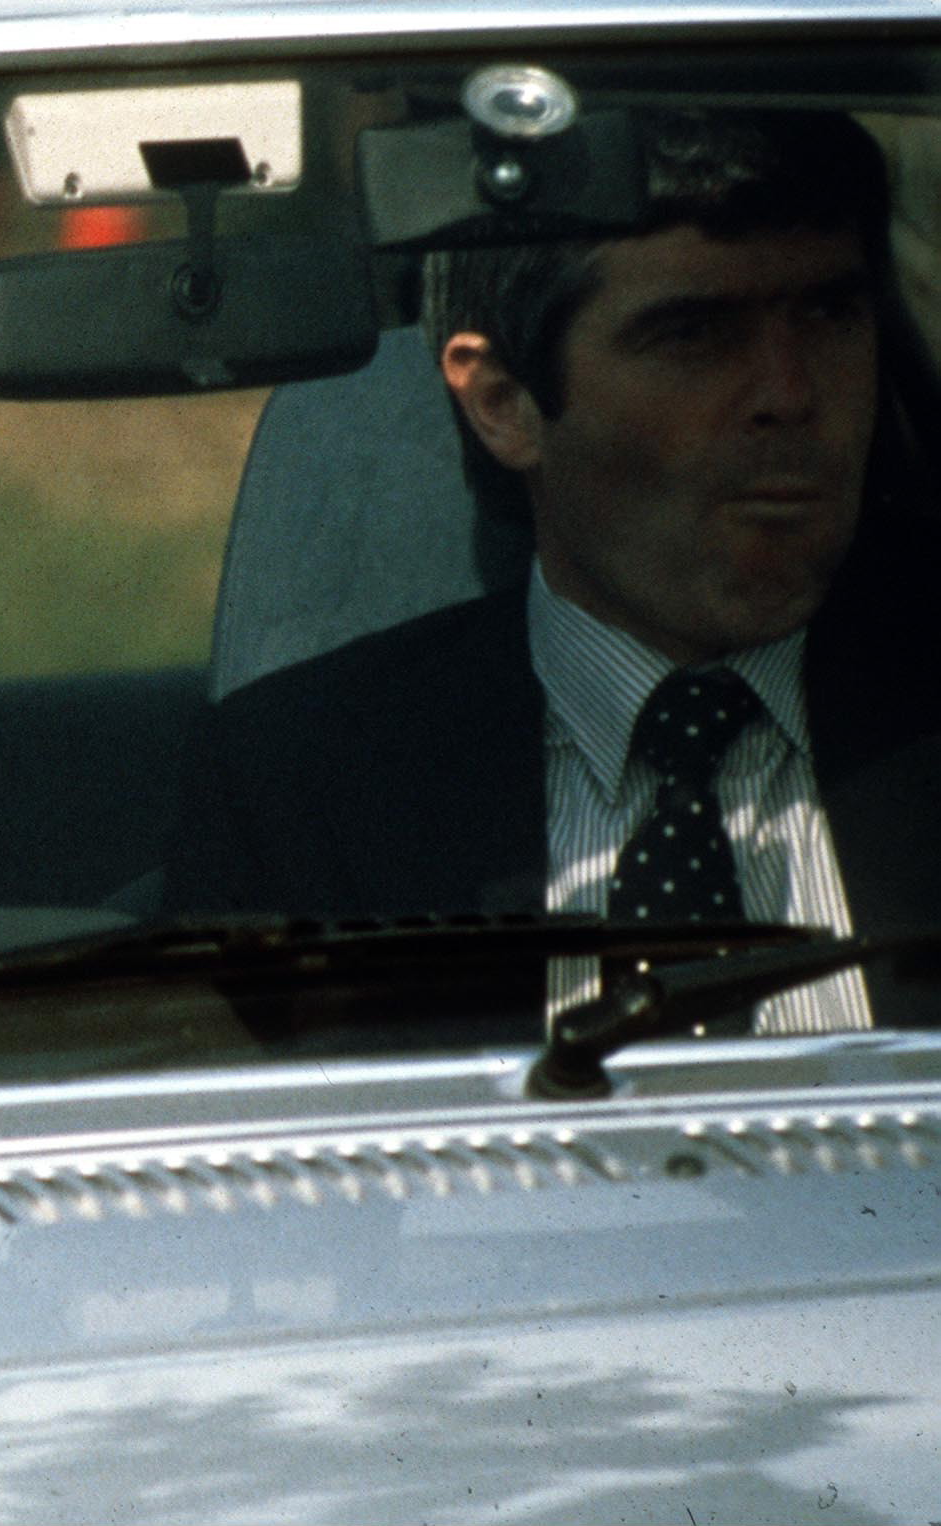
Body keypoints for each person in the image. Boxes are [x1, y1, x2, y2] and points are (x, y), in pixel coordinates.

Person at [167, 108, 941, 1032]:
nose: (789, 393)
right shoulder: (305, 787)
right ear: (504, 404)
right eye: (694, 335)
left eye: (829, 315)